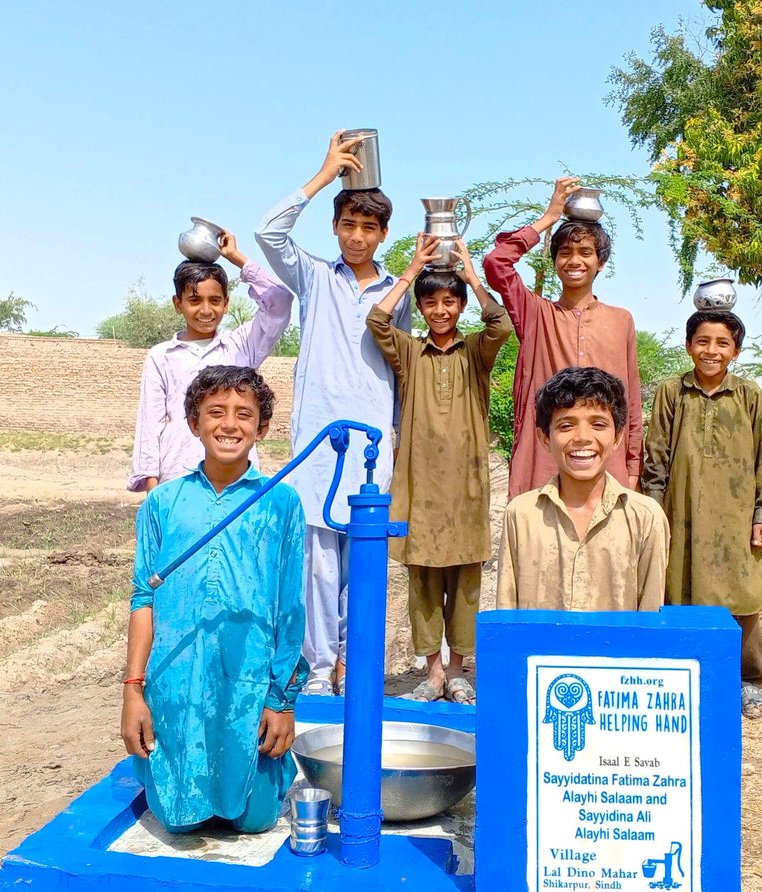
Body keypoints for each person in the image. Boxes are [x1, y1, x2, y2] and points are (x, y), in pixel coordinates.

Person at [256, 131, 411, 696]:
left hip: (373, 446)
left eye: (368, 227)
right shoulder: (315, 277)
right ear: (335, 227)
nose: (357, 236)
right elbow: (268, 233)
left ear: (383, 233)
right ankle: (319, 671)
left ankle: (355, 664)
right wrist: (324, 176)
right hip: (318, 445)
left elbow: (404, 364)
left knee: (362, 561)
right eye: (348, 225)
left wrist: (400, 435)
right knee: (318, 568)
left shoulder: (399, 292)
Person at [121, 365, 306, 833]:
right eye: (216, 412)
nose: (230, 424)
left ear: (262, 427)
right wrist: (133, 691)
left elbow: (290, 609)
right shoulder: (162, 503)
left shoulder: (281, 502)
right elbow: (143, 598)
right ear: (194, 423)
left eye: (244, 414)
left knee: (254, 820)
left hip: (250, 681)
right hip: (176, 681)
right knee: (178, 821)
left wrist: (283, 701)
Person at [366, 236, 512, 702]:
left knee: (466, 585)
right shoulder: (411, 353)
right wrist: (412, 270)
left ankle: (457, 671)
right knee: (424, 584)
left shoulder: (476, 352)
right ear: (421, 308)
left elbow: (502, 324)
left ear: (461, 305)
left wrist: (471, 275)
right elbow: (377, 320)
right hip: (421, 491)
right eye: (430, 303)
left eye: (450, 301)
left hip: (466, 490)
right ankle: (432, 674)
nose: (440, 310)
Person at [641, 310, 762, 718]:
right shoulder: (672, 391)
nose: (711, 351)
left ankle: (749, 680)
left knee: (743, 596)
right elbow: (655, 457)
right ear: (688, 346)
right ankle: (686, 676)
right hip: (681, 515)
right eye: (702, 341)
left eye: (722, 344)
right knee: (680, 592)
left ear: (735, 352)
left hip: (736, 516)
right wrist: (655, 515)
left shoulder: (748, 394)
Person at [482, 177, 643, 500]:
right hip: (544, 458)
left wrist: (633, 467)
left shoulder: (620, 320)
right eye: (565, 253)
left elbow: (632, 401)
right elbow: (496, 263)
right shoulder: (536, 314)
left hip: (605, 459)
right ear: (554, 261)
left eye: (585, 252)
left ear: (601, 263)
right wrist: (549, 217)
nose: (574, 261)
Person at [127, 232, 292, 492]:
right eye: (195, 301)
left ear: (226, 303)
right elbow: (150, 425)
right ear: (178, 304)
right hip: (178, 477)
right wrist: (152, 489)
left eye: (214, 301)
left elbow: (280, 301)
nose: (205, 310)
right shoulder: (162, 356)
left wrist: (236, 258)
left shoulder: (242, 346)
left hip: (238, 482)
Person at [497, 366, 668, 612]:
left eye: (598, 424)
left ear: (617, 437)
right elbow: (506, 612)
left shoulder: (646, 518)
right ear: (545, 439)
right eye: (566, 426)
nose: (582, 437)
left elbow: (650, 614)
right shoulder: (521, 515)